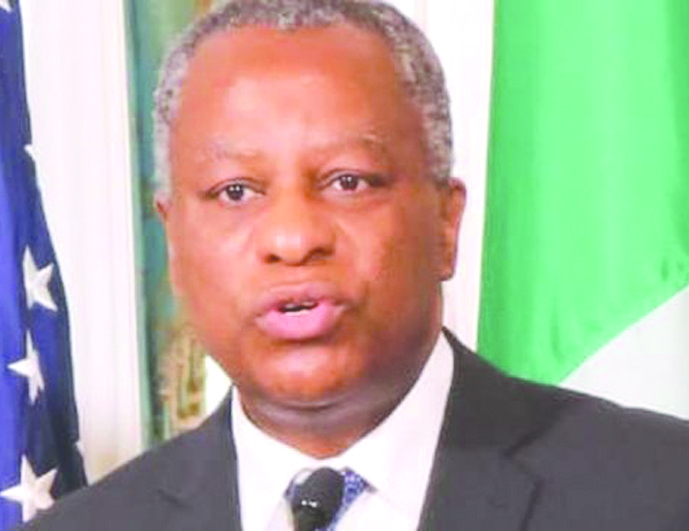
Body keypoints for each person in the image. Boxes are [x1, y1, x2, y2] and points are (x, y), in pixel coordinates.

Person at [24, 0, 689, 529]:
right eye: (236, 192)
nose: (292, 238)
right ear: (173, 243)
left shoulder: (662, 493)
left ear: (445, 222)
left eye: (349, 181)